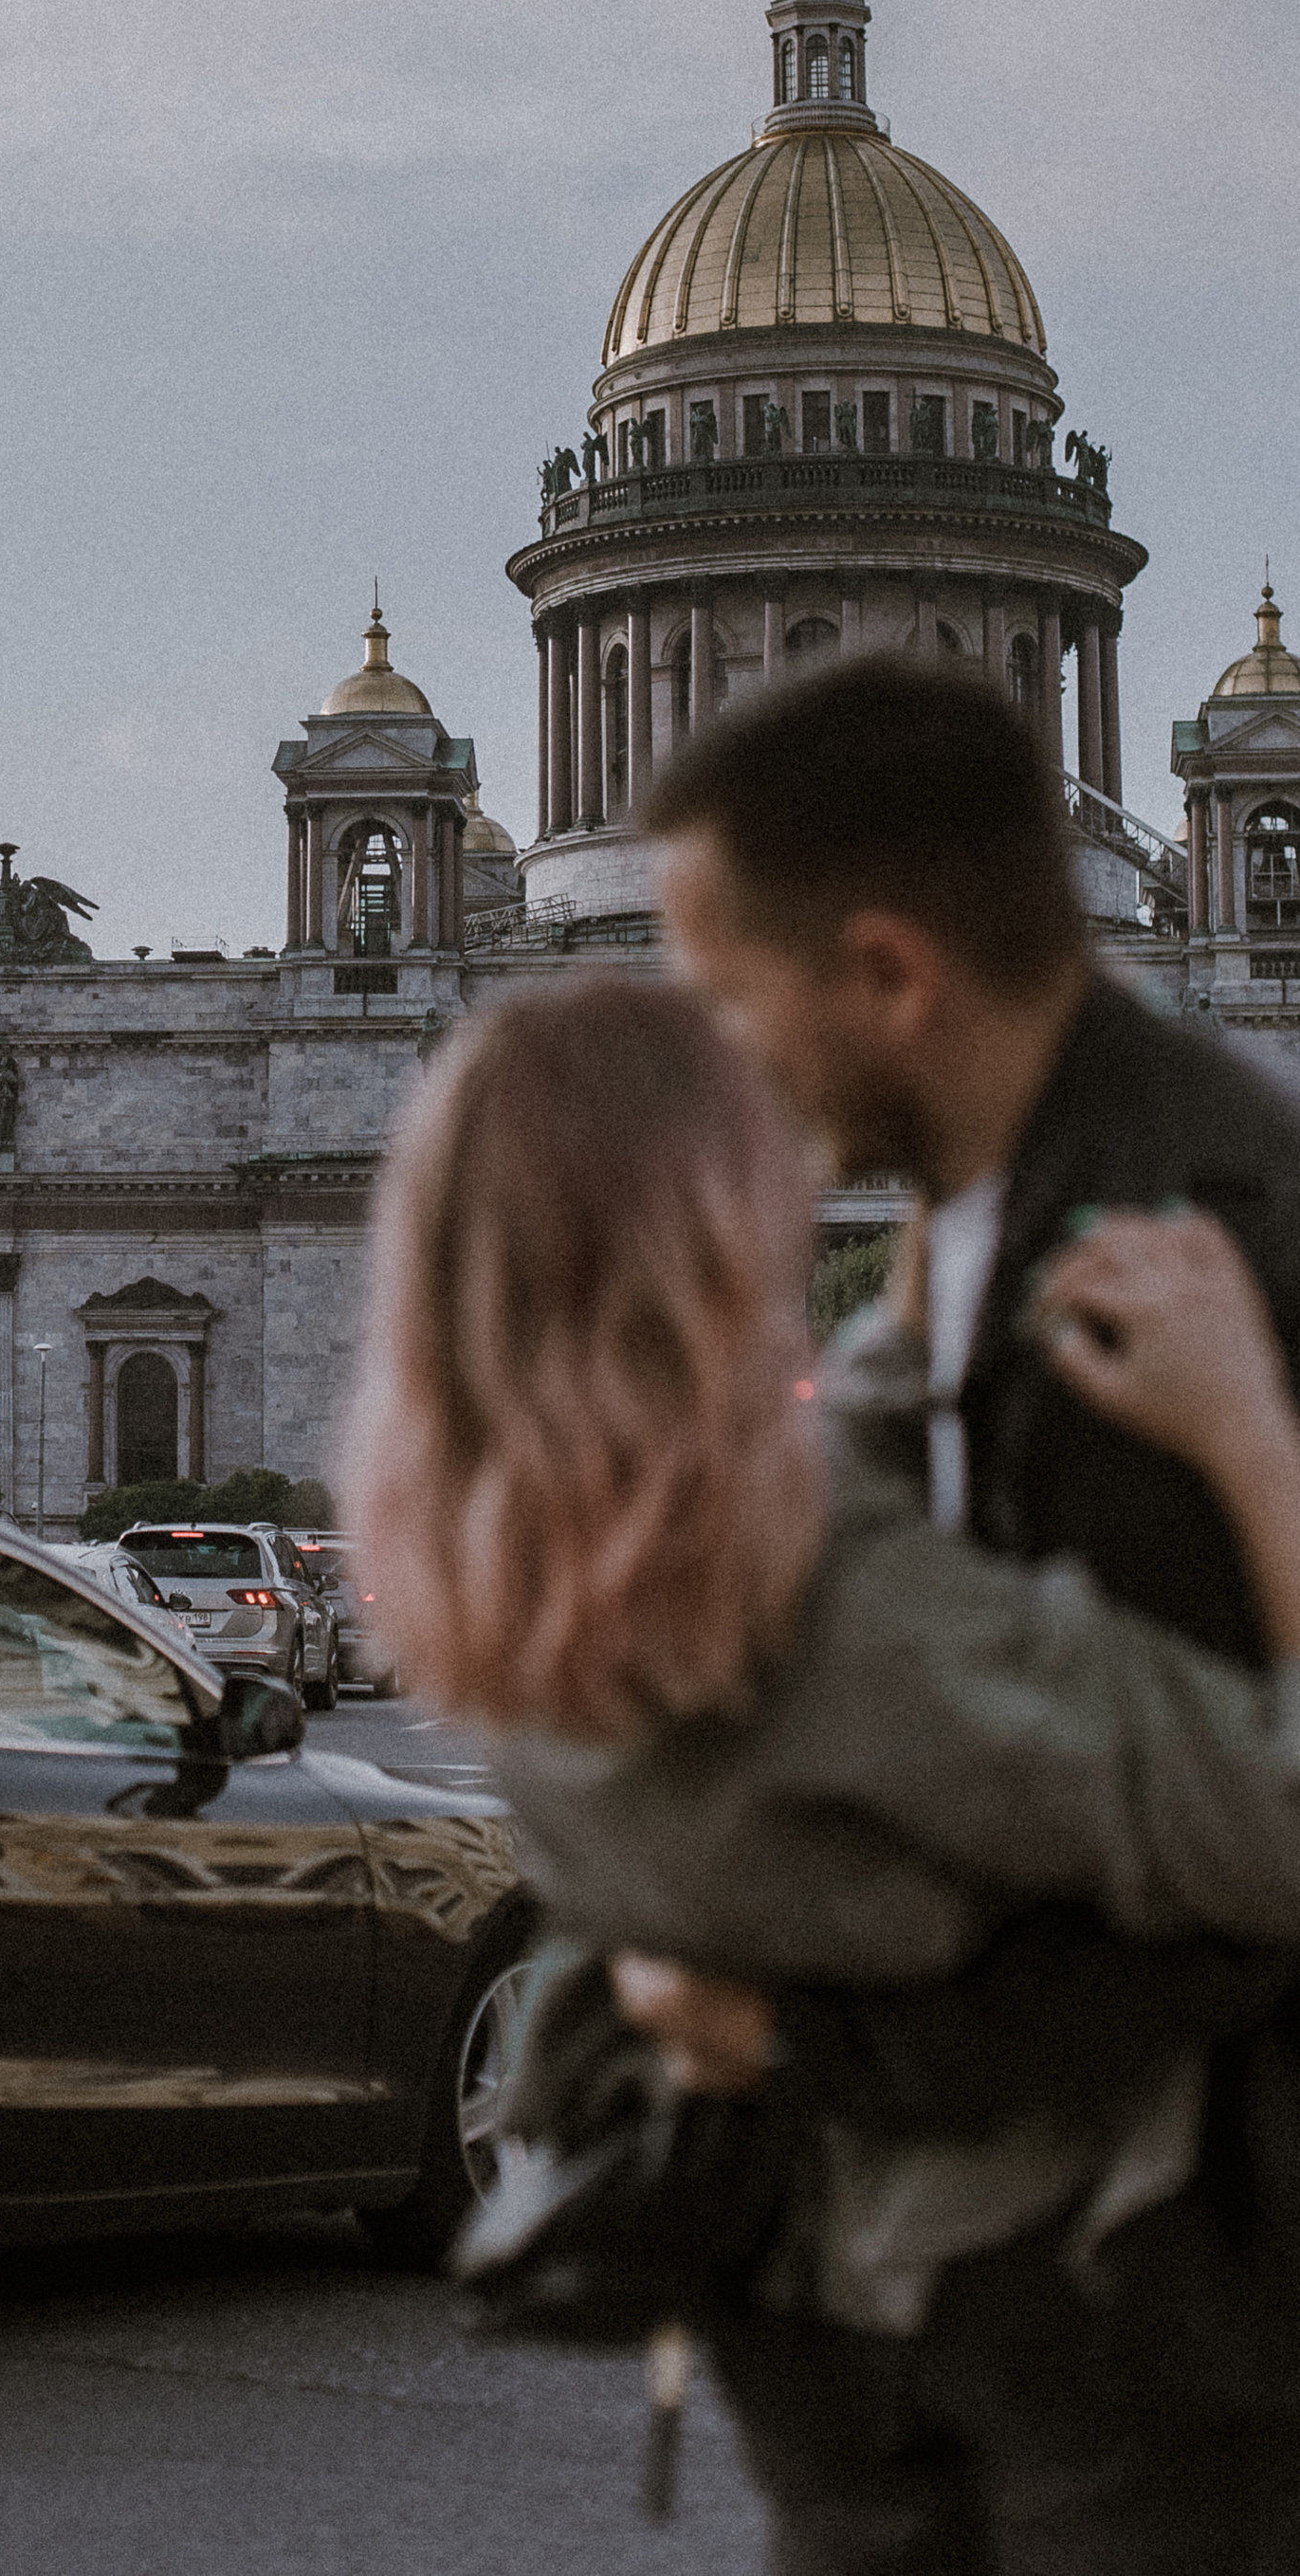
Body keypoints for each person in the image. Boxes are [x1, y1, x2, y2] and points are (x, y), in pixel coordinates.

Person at [347, 972, 1300, 2568]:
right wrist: (1256, 1439)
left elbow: (823, 1431)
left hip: (791, 2333)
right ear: (721, 1228)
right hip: (1033, 2306)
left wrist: (918, 1297)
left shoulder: (491, 1583)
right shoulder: (824, 1604)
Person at [637, 655, 1300, 2564]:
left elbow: (1200, 1884)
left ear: (887, 974)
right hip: (940, 2308)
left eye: (728, 1000)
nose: (711, 1059)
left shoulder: (1170, 1239)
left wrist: (787, 2039)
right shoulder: (973, 1207)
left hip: (1145, 2328)